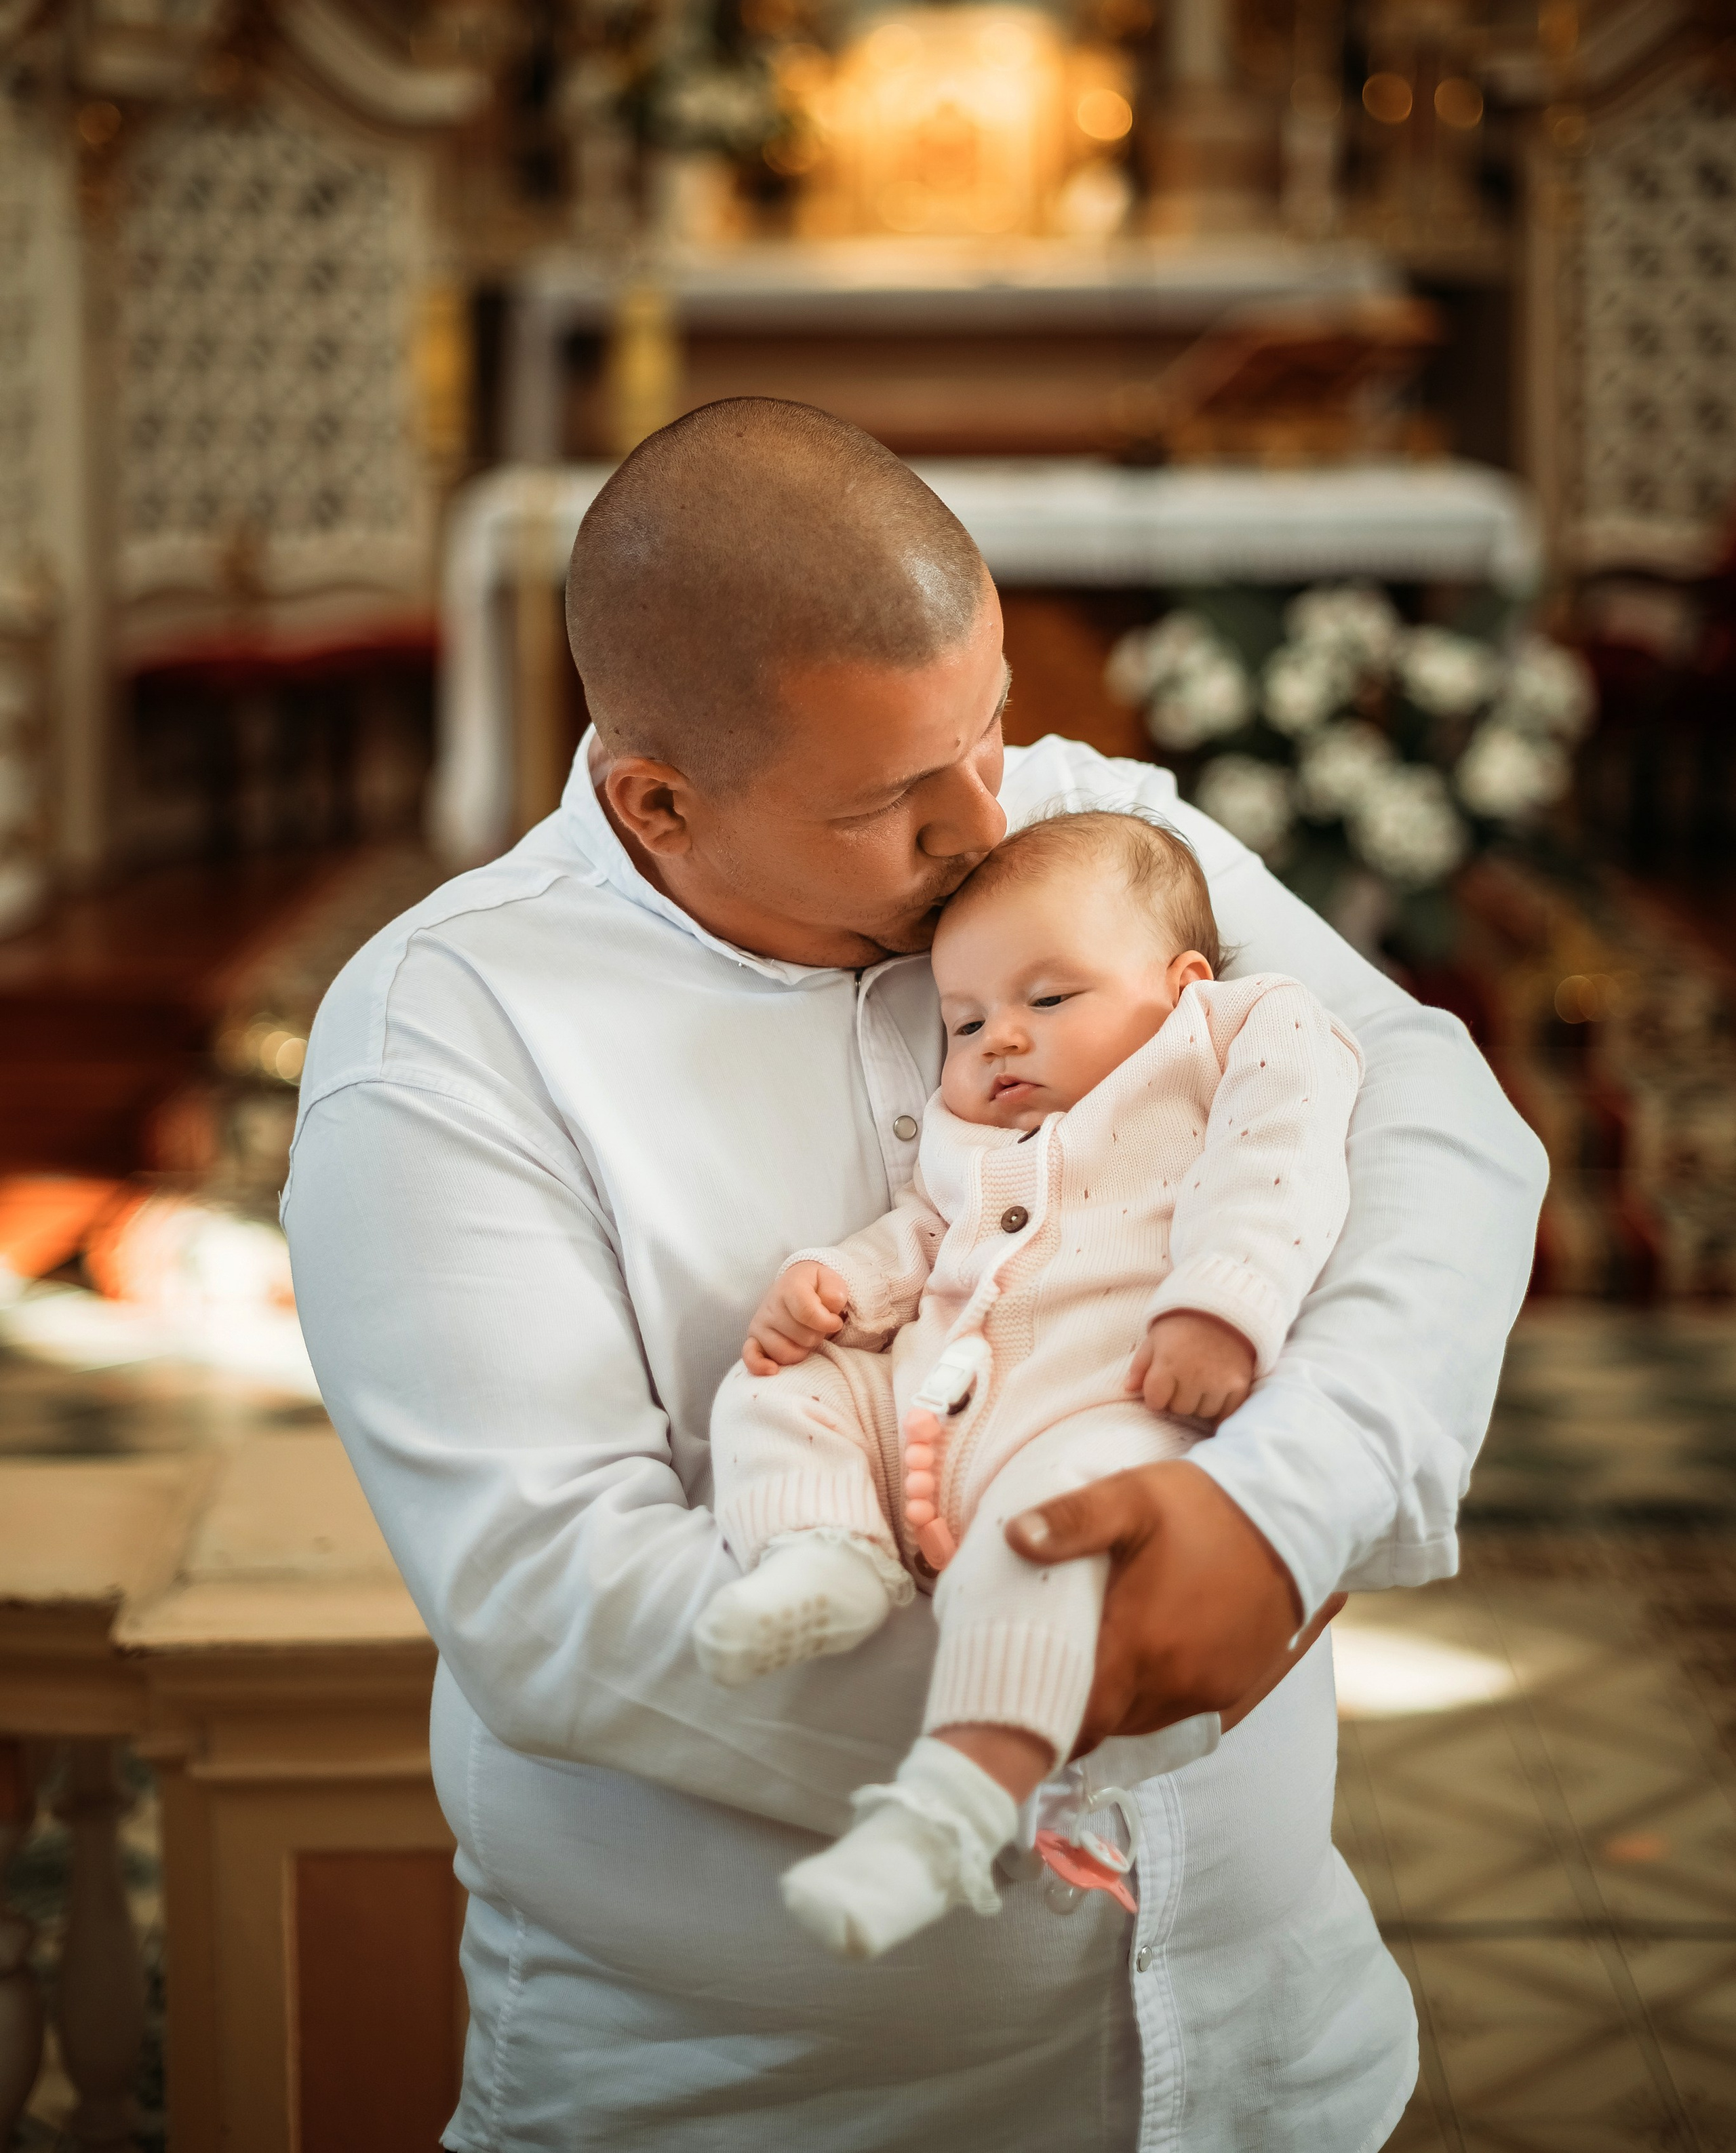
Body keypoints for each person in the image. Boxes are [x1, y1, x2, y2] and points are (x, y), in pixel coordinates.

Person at [285, 397, 1547, 2153]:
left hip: (1271, 2052)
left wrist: (1286, 1517)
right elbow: (550, 1601)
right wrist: (1115, 1682)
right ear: (659, 801)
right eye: (895, 797)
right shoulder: (448, 1036)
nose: (987, 816)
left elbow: (1426, 1106)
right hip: (768, 2101)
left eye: (995, 724)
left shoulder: (1072, 819)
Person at [701, 809, 1364, 1961]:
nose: (1001, 1039)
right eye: (965, 1021)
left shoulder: (1234, 1035)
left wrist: (1222, 1300)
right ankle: (827, 1554)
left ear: (1182, 981)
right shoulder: (970, 1135)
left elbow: (1282, 1156)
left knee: (1048, 1541)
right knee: (773, 1386)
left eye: (1050, 1001)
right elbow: (924, 1231)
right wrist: (835, 1285)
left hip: (1111, 1412)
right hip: (930, 1409)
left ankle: (947, 1815)